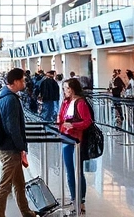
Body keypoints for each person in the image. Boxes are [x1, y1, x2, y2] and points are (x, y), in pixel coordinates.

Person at [0, 68, 36, 217]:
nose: (24, 82)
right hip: (10, 148)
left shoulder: (2, 97)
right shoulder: (10, 100)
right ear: (16, 81)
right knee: (5, 186)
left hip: (6, 146)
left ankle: (25, 211)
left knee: (19, 183)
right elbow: (13, 127)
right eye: (22, 80)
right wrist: (21, 146)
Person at [58, 78, 93, 214]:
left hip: (76, 140)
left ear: (72, 89)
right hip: (66, 138)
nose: (65, 91)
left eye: (66, 88)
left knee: (77, 172)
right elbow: (61, 117)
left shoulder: (80, 103)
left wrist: (73, 125)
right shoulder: (66, 102)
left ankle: (81, 201)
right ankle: (74, 199)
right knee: (70, 171)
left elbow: (87, 121)